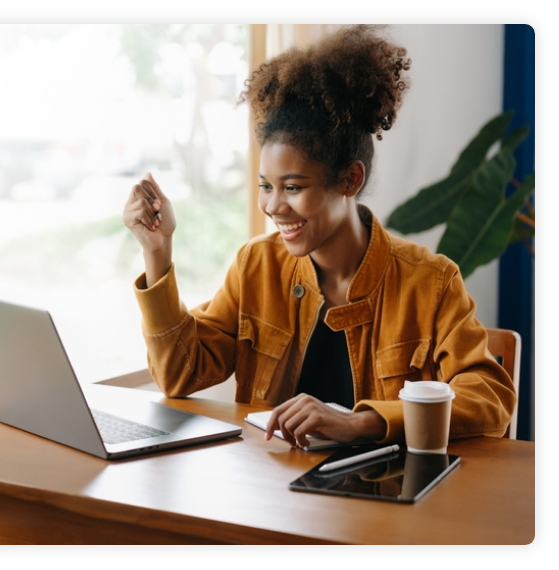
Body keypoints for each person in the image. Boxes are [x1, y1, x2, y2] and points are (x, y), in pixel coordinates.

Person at [123, 25, 516, 449]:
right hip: (272, 497)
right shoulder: (257, 265)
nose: (273, 206)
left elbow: (490, 401)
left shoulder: (431, 281)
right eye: (265, 185)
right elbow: (180, 375)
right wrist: (157, 252)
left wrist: (361, 422)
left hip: (382, 499)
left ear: (349, 179)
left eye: (293, 187)